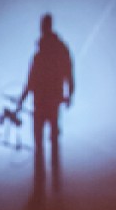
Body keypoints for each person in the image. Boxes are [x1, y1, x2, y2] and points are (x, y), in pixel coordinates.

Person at [18, 13, 75, 197]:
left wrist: (21, 101)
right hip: (52, 100)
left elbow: (31, 80)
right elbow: (68, 71)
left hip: (41, 101)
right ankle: (54, 180)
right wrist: (69, 94)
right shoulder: (59, 49)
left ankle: (41, 179)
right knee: (52, 138)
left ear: (44, 26)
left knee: (40, 140)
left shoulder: (40, 52)